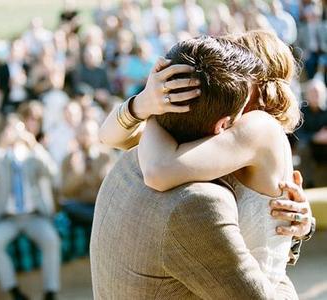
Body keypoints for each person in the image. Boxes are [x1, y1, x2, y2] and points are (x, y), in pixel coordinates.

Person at [91, 36, 313, 299]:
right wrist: (145, 103)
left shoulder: (257, 126)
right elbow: (110, 138)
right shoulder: (216, 133)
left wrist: (154, 111)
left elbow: (159, 170)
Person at [0, 119, 60, 300]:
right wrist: (1, 145)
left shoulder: (32, 156)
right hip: (7, 218)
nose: (16, 134)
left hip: (34, 216)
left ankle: (50, 292)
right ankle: (14, 291)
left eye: (20, 130)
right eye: (11, 130)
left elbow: (52, 172)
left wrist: (34, 145)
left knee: (51, 240)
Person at [61, 120, 114, 224]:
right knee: (69, 206)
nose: (85, 138)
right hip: (79, 206)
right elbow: (65, 191)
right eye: (81, 133)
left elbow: (110, 187)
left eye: (88, 134)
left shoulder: (106, 157)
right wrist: (77, 172)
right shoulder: (69, 159)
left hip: (100, 205)